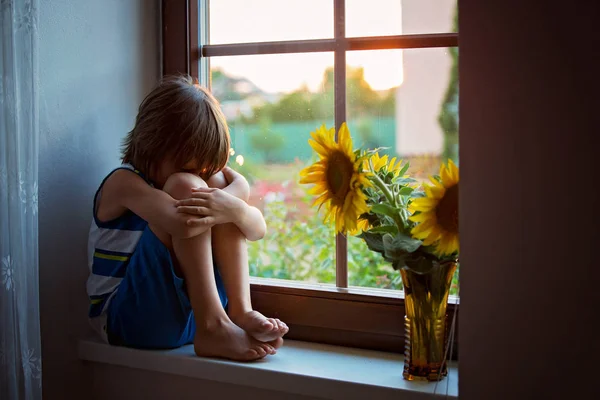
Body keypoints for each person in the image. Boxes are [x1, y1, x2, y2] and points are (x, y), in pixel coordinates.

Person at [86, 75, 288, 361]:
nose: (199, 176)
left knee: (217, 190)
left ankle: (239, 312)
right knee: (192, 191)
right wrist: (229, 200)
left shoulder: (205, 179)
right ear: (153, 145)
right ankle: (213, 326)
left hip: (185, 314)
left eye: (203, 169)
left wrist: (234, 206)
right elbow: (184, 221)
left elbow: (257, 229)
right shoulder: (122, 183)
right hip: (130, 320)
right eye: (189, 167)